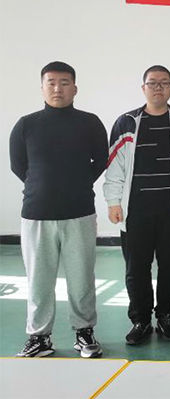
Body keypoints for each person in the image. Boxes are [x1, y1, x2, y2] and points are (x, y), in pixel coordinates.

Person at [10, 61, 107, 358]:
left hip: (79, 212)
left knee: (82, 279)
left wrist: (77, 184)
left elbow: (101, 159)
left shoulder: (90, 123)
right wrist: (42, 187)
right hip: (36, 214)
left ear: (75, 88)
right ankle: (39, 337)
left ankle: (84, 332)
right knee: (38, 280)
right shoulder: (26, 125)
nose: (57, 88)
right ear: (42, 88)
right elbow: (18, 165)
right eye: (51, 83)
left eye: (64, 83)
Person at [104, 65, 170, 345]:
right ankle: (140, 320)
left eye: (164, 83)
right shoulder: (126, 122)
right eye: (152, 83)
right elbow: (114, 166)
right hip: (135, 210)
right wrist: (113, 201)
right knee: (136, 268)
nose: (158, 87)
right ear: (143, 88)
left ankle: (166, 316)